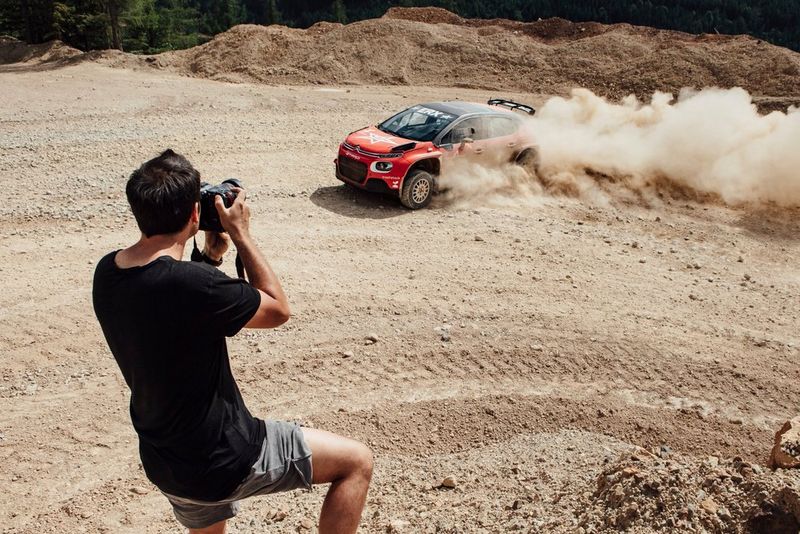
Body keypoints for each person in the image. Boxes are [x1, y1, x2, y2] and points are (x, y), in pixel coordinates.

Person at [92, 149, 373, 534]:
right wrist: (240, 233)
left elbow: (173, 307)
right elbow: (277, 310)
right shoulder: (194, 286)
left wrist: (209, 257)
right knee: (356, 462)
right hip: (224, 458)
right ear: (195, 213)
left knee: (207, 508)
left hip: (166, 460)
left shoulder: (108, 272)